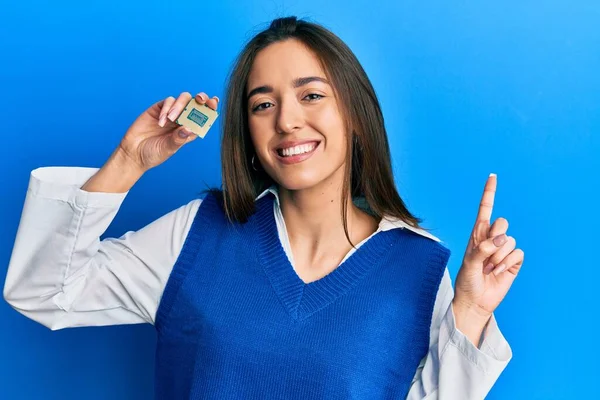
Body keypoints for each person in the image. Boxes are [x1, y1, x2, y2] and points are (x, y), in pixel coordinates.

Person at [3, 16, 523, 400]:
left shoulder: (418, 268)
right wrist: (127, 161)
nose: (287, 121)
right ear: (247, 133)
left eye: (311, 95)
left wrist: (472, 311)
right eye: (263, 104)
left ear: (356, 116)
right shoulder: (197, 235)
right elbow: (45, 290)